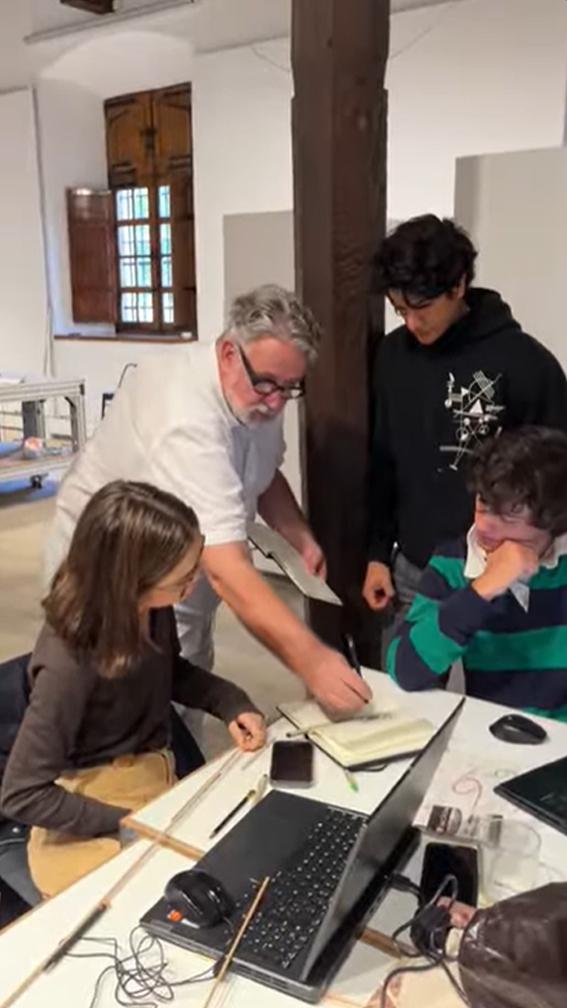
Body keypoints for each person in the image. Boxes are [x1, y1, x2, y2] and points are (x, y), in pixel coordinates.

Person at [46, 285, 370, 715]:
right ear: (229, 353)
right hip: (114, 577)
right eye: (267, 384)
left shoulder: (257, 390)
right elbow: (226, 571)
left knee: (184, 677)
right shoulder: (185, 417)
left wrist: (299, 537)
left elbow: (262, 472)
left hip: (182, 573)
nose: (276, 402)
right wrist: (313, 661)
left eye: (290, 387)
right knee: (118, 710)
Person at [1, 481, 266, 897]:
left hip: (149, 777)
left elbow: (169, 672)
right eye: (181, 579)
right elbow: (22, 794)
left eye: (194, 566)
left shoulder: (150, 608)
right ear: (132, 581)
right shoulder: (69, 665)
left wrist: (231, 703)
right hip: (92, 807)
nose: (194, 583)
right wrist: (124, 821)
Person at [362, 215, 567, 649]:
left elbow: (556, 479)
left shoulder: (526, 364)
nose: (411, 323)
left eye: (421, 308)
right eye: (400, 310)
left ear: (458, 285)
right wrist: (377, 554)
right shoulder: (393, 357)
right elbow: (383, 460)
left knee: (501, 687)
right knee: (408, 679)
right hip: (414, 568)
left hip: (501, 569)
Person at [387, 427, 567, 720]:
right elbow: (404, 669)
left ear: (553, 519)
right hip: (493, 733)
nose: (484, 525)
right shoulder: (453, 564)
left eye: (511, 512)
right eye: (483, 502)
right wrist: (481, 590)